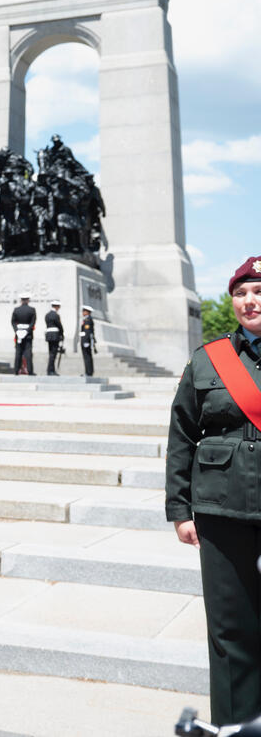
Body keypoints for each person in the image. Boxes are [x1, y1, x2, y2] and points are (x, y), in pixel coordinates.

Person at [166, 255, 261, 727]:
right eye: (241, 293)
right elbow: (181, 433)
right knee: (229, 631)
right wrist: (180, 509)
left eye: (259, 292)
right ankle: (235, 725)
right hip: (220, 513)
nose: (250, 301)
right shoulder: (209, 359)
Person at [12, 292, 36, 375]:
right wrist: (27, 331)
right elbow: (33, 323)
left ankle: (16, 370)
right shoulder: (32, 310)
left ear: (21, 300)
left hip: (18, 333)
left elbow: (13, 322)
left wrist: (17, 330)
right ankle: (30, 371)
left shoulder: (16, 310)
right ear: (28, 300)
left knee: (18, 352)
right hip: (28, 334)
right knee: (28, 353)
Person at [44, 300, 65, 376]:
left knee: (51, 353)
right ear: (56, 306)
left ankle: (50, 369)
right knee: (53, 353)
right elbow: (59, 325)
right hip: (55, 335)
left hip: (49, 335)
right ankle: (51, 370)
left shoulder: (47, 315)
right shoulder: (56, 315)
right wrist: (62, 334)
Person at [79, 305, 96, 376]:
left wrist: (86, 341)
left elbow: (87, 332)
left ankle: (89, 372)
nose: (83, 312)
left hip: (86, 341)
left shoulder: (88, 320)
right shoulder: (86, 319)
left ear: (87, 312)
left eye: (84, 311)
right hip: (85, 340)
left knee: (87, 357)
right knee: (86, 357)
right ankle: (88, 371)